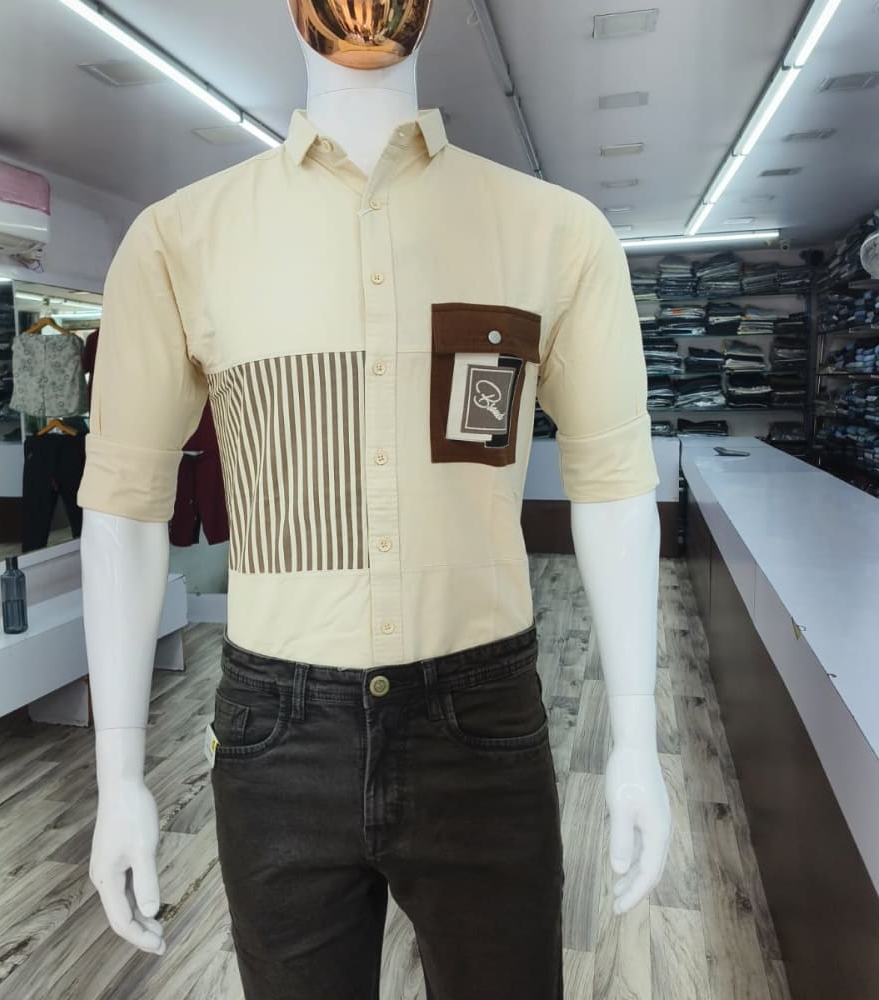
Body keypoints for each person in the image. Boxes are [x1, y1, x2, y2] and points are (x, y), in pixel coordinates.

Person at [78, 2, 672, 997]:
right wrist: (118, 772)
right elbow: (124, 509)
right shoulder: (177, 241)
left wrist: (637, 739)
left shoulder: (557, 233)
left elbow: (615, 491)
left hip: (481, 722)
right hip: (277, 735)